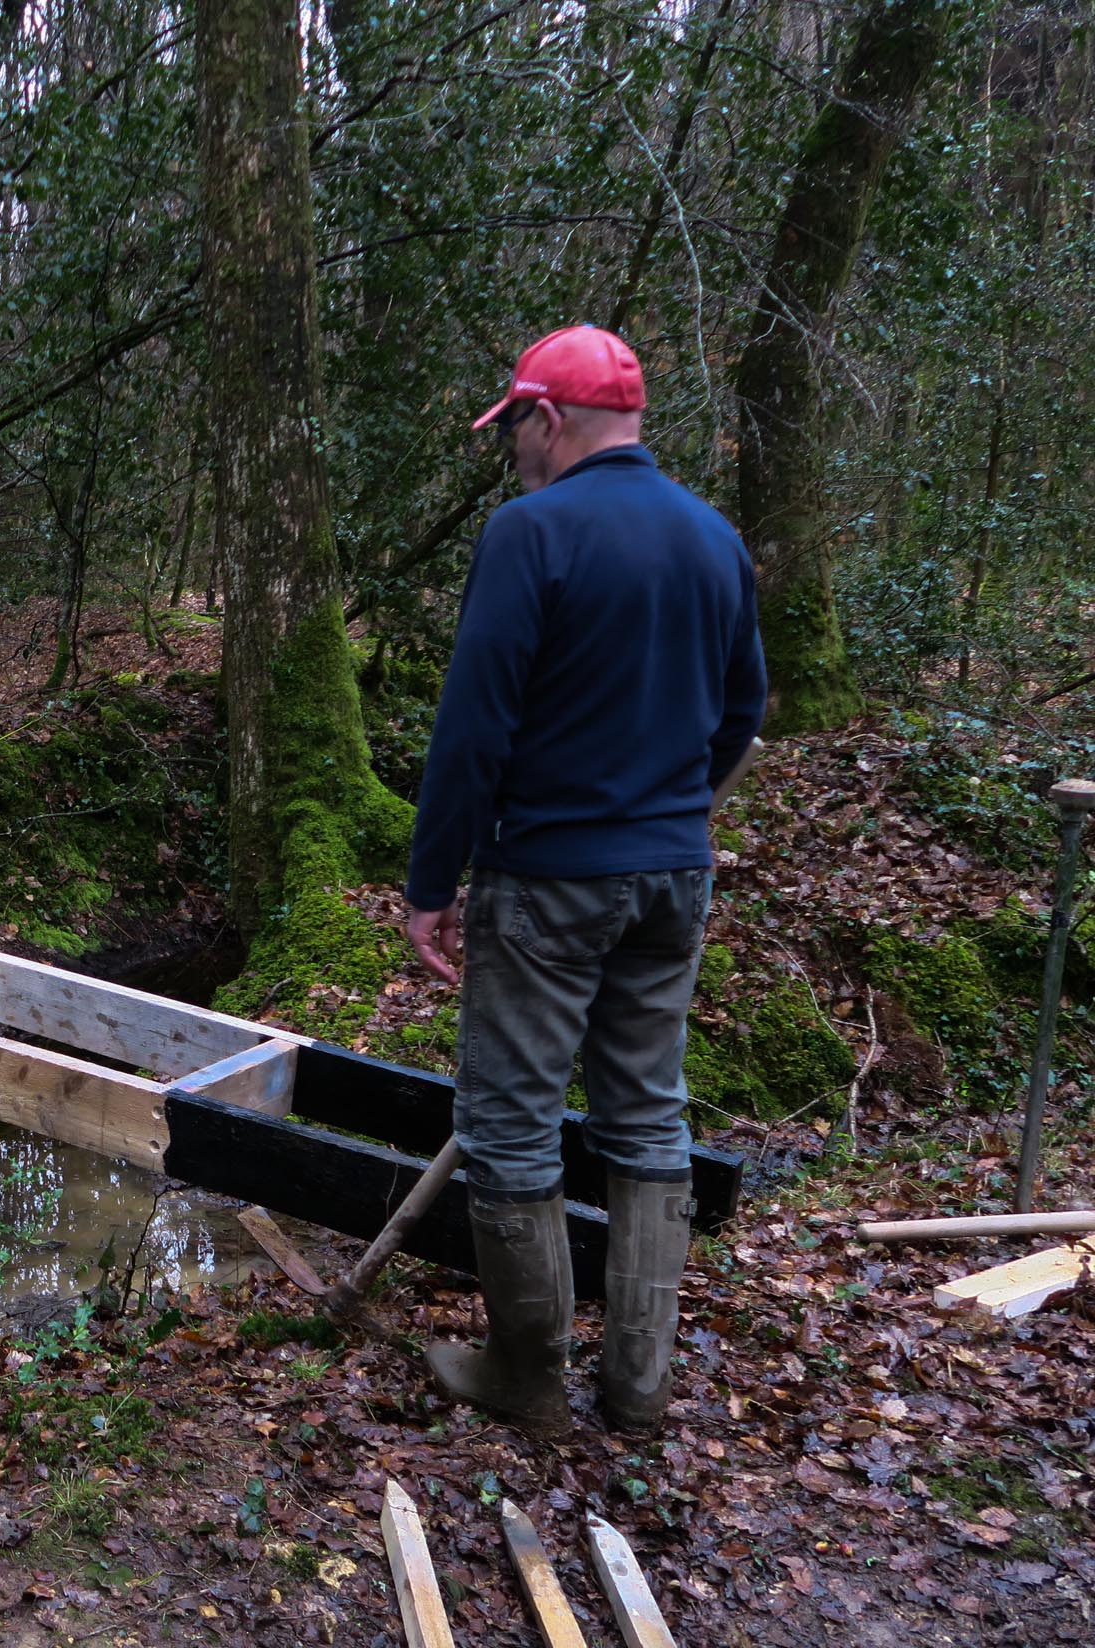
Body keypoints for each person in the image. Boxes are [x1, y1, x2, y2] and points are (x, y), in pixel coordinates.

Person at [403, 325, 765, 1436]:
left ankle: (529, 1374)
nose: (512, 448)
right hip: (670, 880)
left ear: (548, 419)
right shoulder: (715, 539)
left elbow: (474, 727)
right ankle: (640, 1386)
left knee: (510, 1125)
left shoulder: (532, 533)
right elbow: (746, 709)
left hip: (550, 877)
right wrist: (681, 815)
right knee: (647, 1116)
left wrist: (432, 879)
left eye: (513, 426)